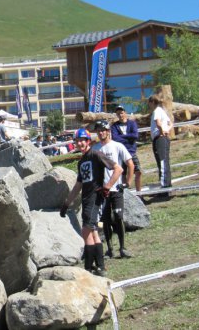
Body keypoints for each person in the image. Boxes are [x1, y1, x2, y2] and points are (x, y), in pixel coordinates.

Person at [60, 128, 123, 277]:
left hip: (95, 198)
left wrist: (107, 186)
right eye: (77, 140)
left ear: (88, 141)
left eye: (83, 140)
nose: (80, 143)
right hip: (86, 199)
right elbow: (78, 185)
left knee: (86, 231)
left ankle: (88, 267)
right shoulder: (82, 161)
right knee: (93, 232)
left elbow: (118, 169)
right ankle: (100, 266)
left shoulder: (95, 154)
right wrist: (67, 203)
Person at [92, 120, 134, 259]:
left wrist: (128, 181)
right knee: (104, 219)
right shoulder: (95, 148)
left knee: (118, 217)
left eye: (103, 130)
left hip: (116, 189)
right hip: (101, 190)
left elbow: (130, 163)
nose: (101, 132)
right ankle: (110, 249)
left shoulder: (117, 146)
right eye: (98, 130)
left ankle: (123, 248)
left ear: (108, 131)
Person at [111, 105, 142, 191]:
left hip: (131, 151)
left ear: (125, 113)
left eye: (121, 113)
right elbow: (115, 138)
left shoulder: (132, 123)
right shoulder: (114, 126)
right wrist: (128, 138)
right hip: (120, 153)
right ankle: (125, 193)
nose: (120, 115)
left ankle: (139, 193)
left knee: (138, 171)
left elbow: (135, 136)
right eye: (118, 113)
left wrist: (123, 137)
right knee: (122, 173)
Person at [148, 94, 172, 189]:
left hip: (159, 138)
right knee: (165, 161)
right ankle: (167, 185)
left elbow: (158, 123)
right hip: (163, 137)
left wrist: (162, 132)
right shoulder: (162, 111)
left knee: (162, 162)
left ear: (152, 102)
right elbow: (171, 123)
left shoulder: (157, 111)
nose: (149, 105)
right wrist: (167, 130)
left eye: (149, 103)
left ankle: (165, 186)